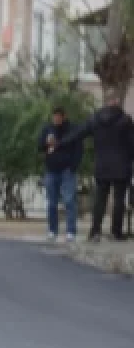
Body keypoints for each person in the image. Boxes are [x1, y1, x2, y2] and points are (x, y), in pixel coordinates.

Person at [52, 89, 134, 242]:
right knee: (119, 200)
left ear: (105, 102)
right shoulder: (125, 120)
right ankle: (116, 232)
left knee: (100, 199)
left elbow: (78, 134)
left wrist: (60, 143)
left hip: (102, 165)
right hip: (121, 166)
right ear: (116, 101)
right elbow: (131, 144)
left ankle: (95, 231)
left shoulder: (95, 119)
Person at [38, 106, 82, 242]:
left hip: (67, 169)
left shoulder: (72, 129)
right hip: (52, 169)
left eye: (58, 116)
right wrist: (46, 144)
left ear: (64, 117)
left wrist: (73, 166)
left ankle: (71, 231)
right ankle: (52, 230)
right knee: (52, 202)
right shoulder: (48, 129)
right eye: (54, 116)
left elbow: (78, 148)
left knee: (69, 200)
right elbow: (40, 146)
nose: (56, 119)